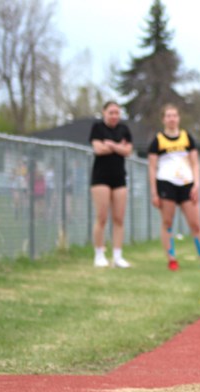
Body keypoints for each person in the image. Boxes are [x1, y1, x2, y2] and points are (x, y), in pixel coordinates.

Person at [147, 104, 200, 271]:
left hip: (187, 184)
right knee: (167, 222)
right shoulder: (158, 141)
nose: (172, 119)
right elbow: (151, 167)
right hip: (166, 184)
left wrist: (196, 184)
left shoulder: (187, 138)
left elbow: (195, 163)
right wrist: (154, 192)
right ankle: (171, 259)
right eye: (168, 116)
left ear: (178, 118)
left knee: (195, 224)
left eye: (174, 115)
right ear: (164, 119)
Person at [89, 101, 133, 268]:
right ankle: (99, 254)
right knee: (102, 217)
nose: (114, 116)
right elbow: (98, 149)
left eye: (117, 113)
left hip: (119, 178)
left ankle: (117, 256)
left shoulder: (124, 130)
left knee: (119, 218)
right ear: (104, 112)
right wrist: (118, 147)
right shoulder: (97, 128)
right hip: (101, 178)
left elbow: (128, 151)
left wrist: (112, 145)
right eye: (111, 112)